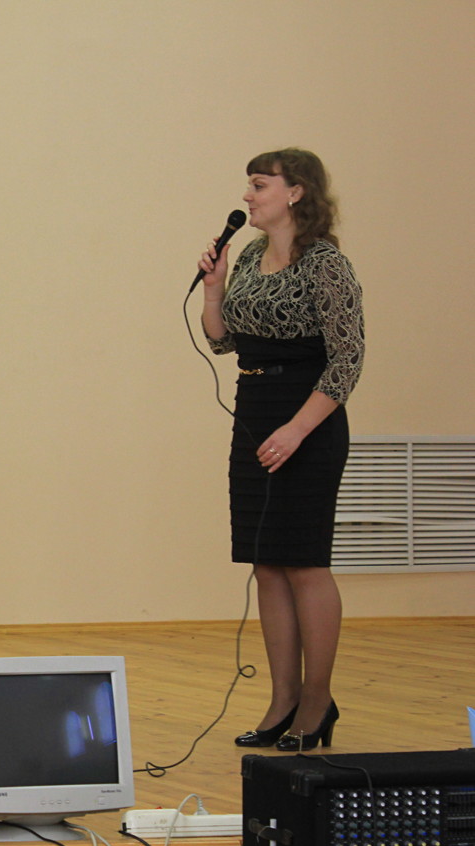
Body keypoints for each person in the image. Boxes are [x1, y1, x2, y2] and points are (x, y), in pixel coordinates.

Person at [197, 148, 364, 753]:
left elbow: (347, 360)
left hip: (308, 418)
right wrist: (213, 289)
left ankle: (317, 703)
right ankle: (282, 701)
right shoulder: (246, 255)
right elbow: (223, 342)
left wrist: (297, 430)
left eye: (259, 185)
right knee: (266, 562)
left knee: (304, 561)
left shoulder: (326, 264)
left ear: (296, 192)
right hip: (255, 412)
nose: (248, 196)